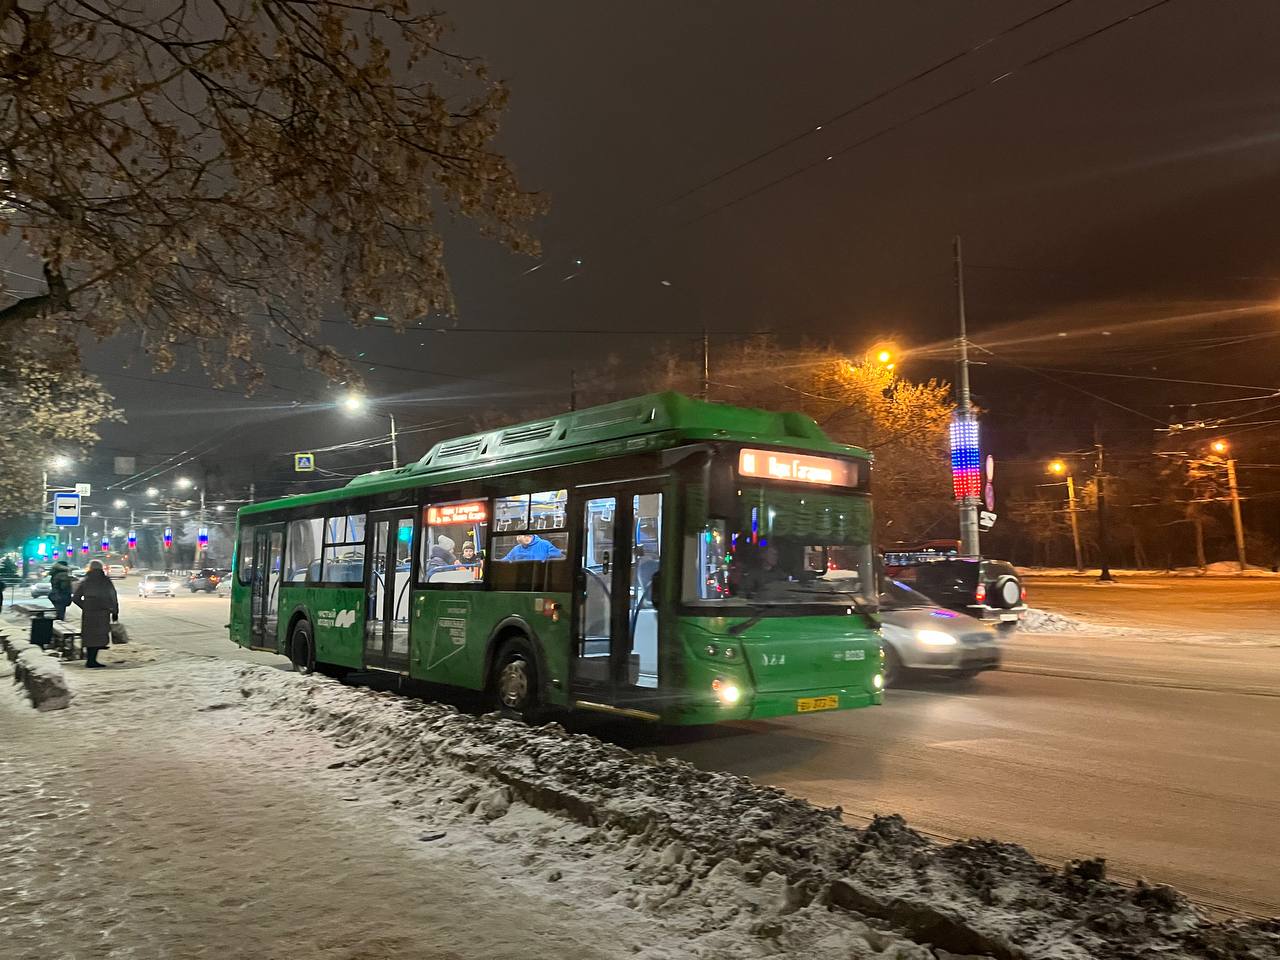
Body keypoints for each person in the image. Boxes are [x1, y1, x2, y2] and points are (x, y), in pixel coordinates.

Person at [73, 559, 118, 668]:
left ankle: (90, 660)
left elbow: (75, 598)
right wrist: (115, 611)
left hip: (89, 613)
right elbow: (113, 596)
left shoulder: (85, 581)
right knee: (99, 636)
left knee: (89, 636)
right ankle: (93, 660)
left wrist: (85, 606)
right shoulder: (105, 581)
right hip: (103, 611)